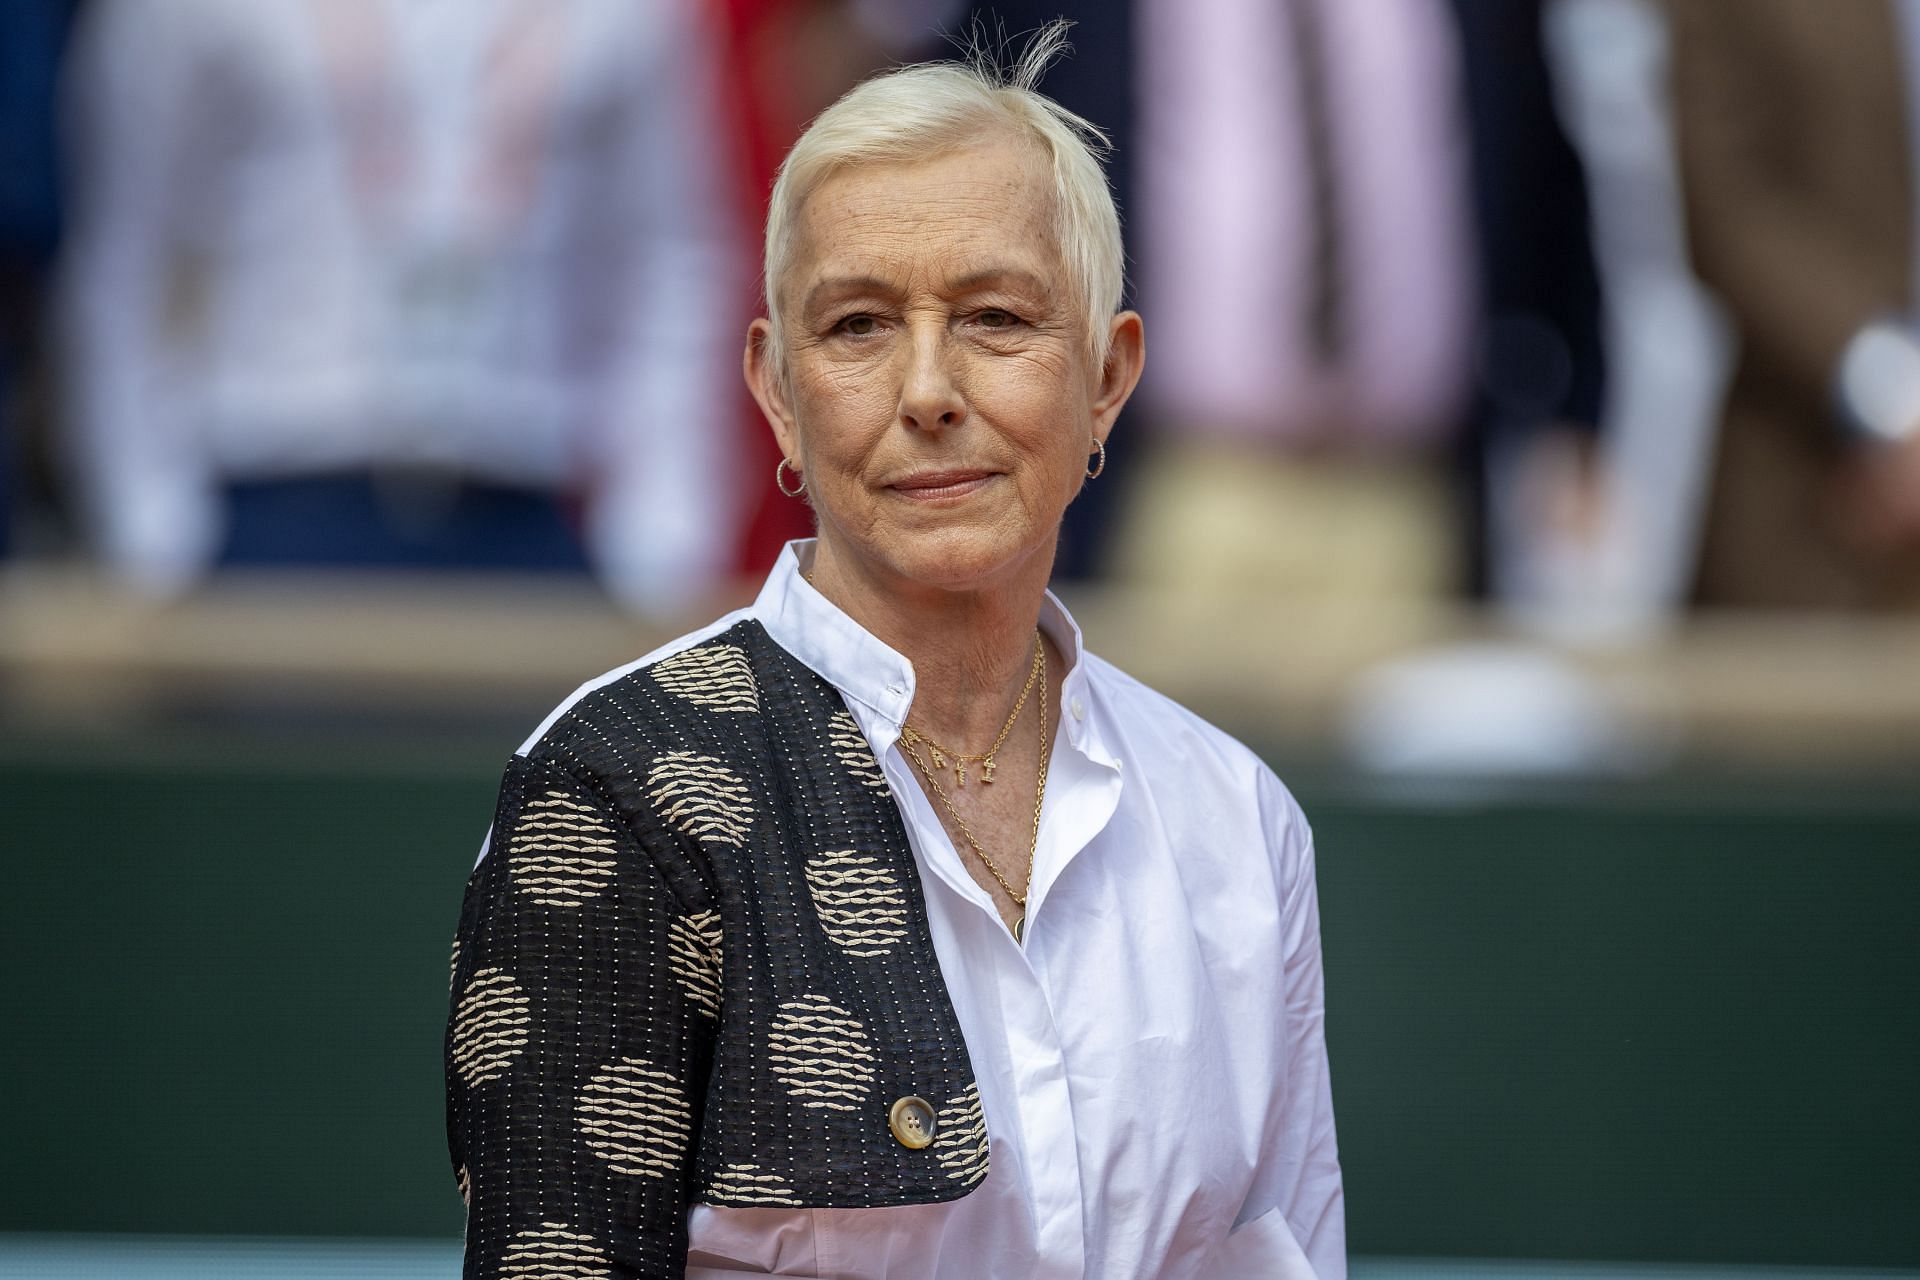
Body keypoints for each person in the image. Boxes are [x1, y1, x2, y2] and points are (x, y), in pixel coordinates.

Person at [445, 27, 1344, 1279]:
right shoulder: (619, 784)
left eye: (994, 316)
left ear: (1108, 377)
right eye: (860, 325)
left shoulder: (1236, 819)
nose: (929, 388)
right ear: (776, 392)